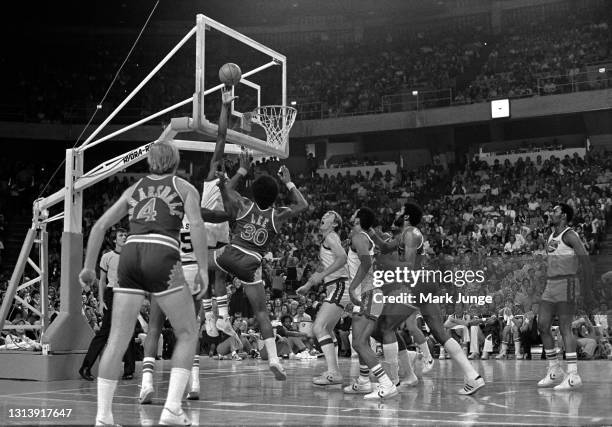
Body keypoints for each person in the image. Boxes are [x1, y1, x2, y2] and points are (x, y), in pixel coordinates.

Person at [79, 141, 209, 426]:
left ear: (150, 162)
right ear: (176, 162)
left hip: (130, 255)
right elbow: (197, 226)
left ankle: (103, 417)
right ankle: (173, 409)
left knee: (117, 338)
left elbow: (100, 226)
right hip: (161, 252)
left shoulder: (133, 189)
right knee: (188, 332)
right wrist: (202, 268)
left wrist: (89, 267)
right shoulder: (185, 188)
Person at [138, 88, 240, 404]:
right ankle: (194, 380)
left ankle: (147, 384)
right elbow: (221, 140)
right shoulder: (199, 195)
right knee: (189, 329)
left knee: (155, 327)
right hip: (198, 259)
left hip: (170, 265)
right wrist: (226, 105)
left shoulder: (167, 203)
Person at [371, 201, 485, 395]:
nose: (396, 213)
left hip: (417, 281)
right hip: (424, 282)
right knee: (440, 333)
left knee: (386, 327)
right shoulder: (403, 235)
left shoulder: (412, 233)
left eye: (400, 211)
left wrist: (384, 263)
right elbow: (384, 246)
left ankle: (391, 384)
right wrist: (371, 233)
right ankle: (472, 376)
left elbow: (406, 265)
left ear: (406, 217)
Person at [214, 164, 308, 380]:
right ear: (275, 196)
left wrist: (243, 170)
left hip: (231, 255)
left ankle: (221, 317)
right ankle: (274, 359)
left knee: (213, 264)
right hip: (251, 265)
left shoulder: (244, 204)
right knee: (262, 313)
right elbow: (303, 204)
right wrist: (288, 181)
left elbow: (228, 188)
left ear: (253, 193)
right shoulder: (278, 215)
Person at [537, 203, 593, 390]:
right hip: (551, 284)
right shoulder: (551, 235)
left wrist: (587, 289)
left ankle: (573, 375)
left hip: (567, 283)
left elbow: (585, 260)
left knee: (565, 328)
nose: (551, 214)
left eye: (555, 211)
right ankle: (554, 371)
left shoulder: (570, 235)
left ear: (563, 216)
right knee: (542, 325)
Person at [296, 211, 348, 385]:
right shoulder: (327, 241)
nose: (323, 217)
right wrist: (309, 285)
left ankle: (334, 373)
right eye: (323, 214)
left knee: (318, 327)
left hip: (340, 285)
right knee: (327, 329)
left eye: (329, 215)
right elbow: (321, 266)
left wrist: (322, 276)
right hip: (335, 286)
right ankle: (333, 372)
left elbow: (342, 258)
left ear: (334, 224)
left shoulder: (331, 237)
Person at [78, 228, 137, 381]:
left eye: (125, 235)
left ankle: (129, 370)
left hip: (127, 294)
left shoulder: (131, 256)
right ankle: (85, 367)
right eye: (121, 235)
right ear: (115, 239)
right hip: (112, 294)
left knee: (127, 332)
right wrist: (101, 301)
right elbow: (102, 281)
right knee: (104, 333)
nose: (124, 237)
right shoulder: (107, 257)